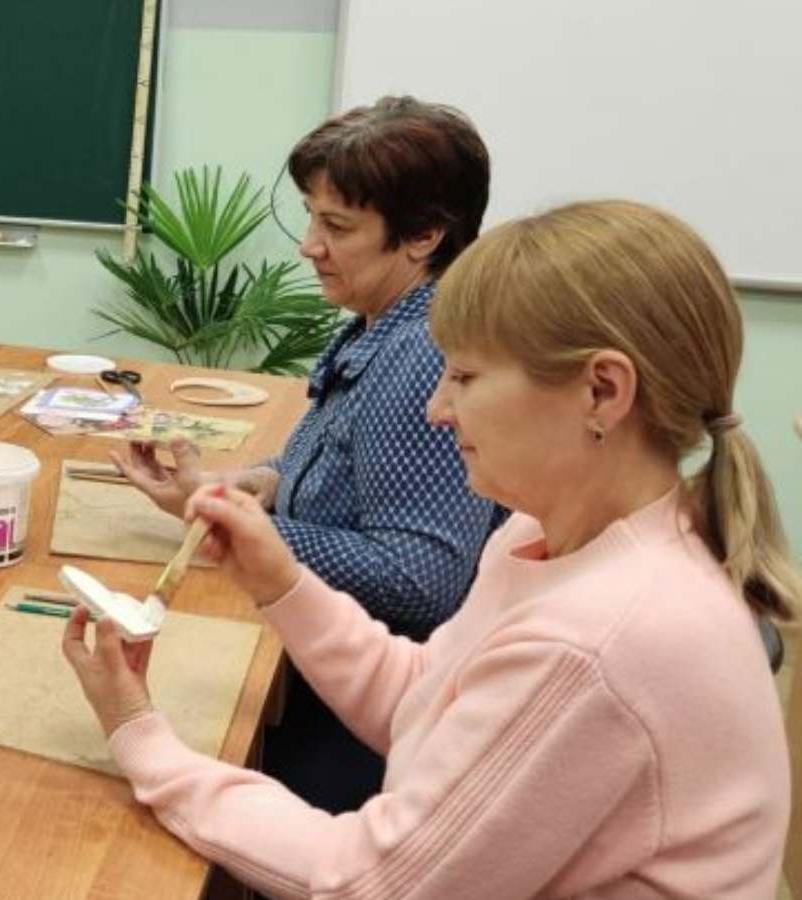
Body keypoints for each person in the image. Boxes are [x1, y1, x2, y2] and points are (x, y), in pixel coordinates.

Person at [66, 200, 796, 898]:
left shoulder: (599, 640)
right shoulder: (542, 533)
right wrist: (280, 581)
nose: (437, 409)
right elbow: (424, 702)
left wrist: (141, 738)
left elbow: (365, 882)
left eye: (466, 378)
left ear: (602, 392)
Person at [113, 96, 502, 812]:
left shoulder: (423, 355)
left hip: (359, 713)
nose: (309, 245)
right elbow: (332, 464)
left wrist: (248, 530)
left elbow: (419, 579)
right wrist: (243, 485)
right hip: (333, 669)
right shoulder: (380, 321)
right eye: (311, 217)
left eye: (337, 226)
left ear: (423, 235)